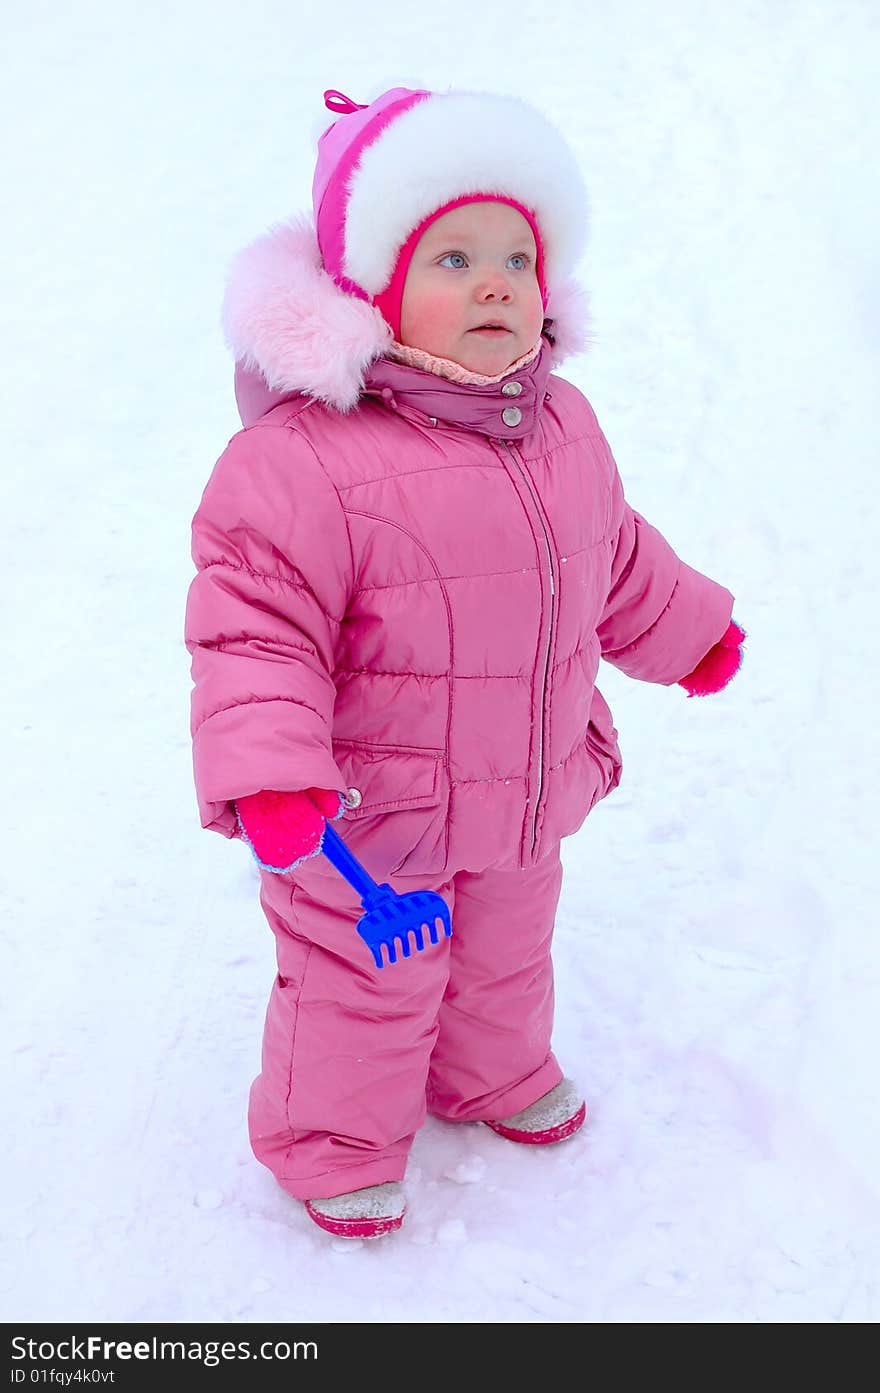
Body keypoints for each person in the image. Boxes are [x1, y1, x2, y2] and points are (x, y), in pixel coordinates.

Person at [184, 85, 746, 1240]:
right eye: (450, 256)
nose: (494, 282)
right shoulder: (303, 462)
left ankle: (488, 1076)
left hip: (524, 786)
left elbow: (612, 554)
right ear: (373, 291)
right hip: (363, 816)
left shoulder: (562, 424)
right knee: (364, 984)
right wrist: (272, 773)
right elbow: (254, 624)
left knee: (504, 953)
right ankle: (330, 1140)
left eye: (515, 257)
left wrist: (684, 629)